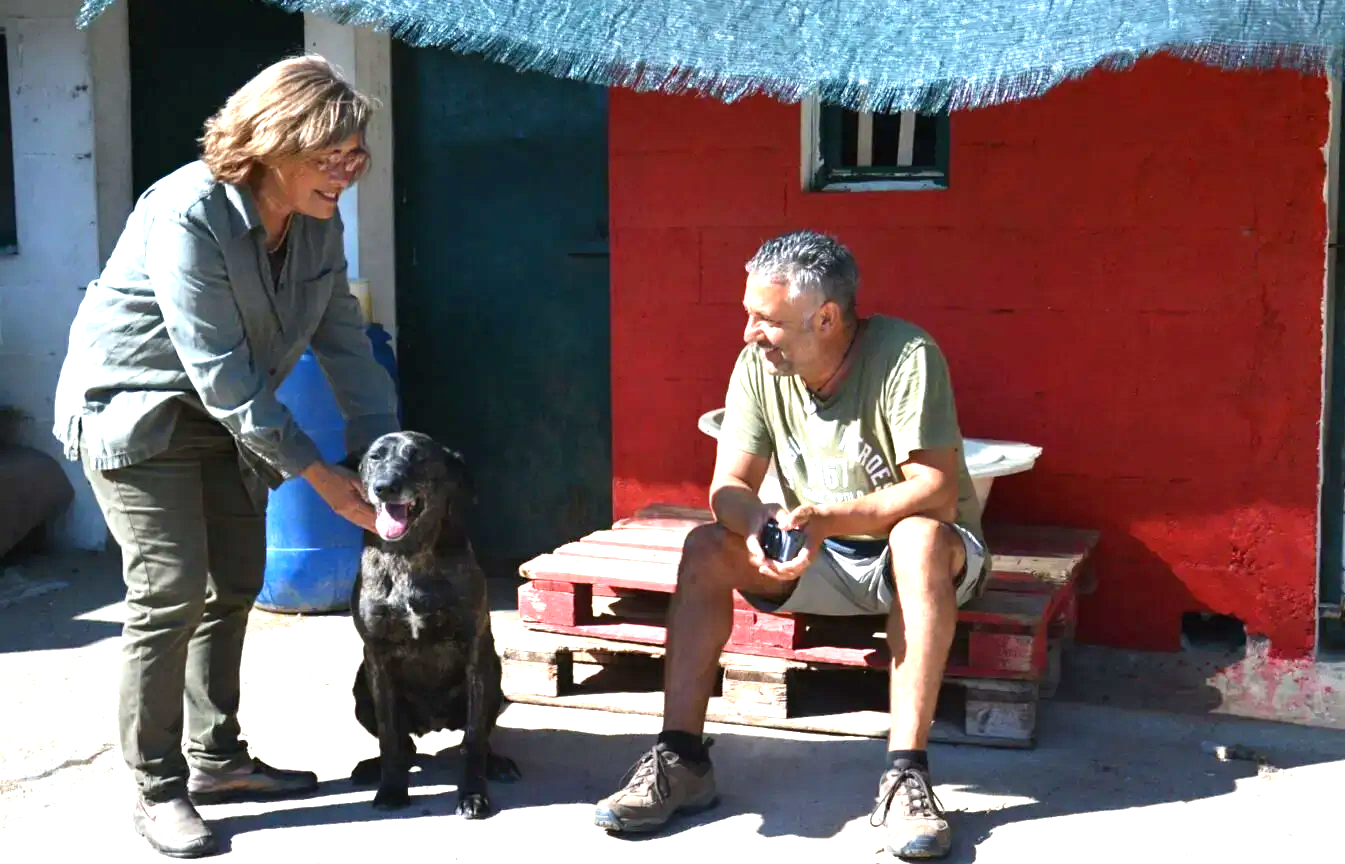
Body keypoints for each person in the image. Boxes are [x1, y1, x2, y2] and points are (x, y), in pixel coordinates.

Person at [51, 55, 399, 859]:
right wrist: (322, 477)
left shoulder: (317, 221)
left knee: (234, 580)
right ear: (275, 143)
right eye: (330, 156)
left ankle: (215, 760)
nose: (346, 173)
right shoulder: (188, 212)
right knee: (169, 589)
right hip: (138, 413)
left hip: (230, 417)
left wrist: (382, 453)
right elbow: (219, 372)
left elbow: (341, 335)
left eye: (355, 156)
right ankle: (157, 786)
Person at [593, 230, 988, 859]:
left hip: (920, 557)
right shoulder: (758, 364)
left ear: (825, 318)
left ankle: (906, 776)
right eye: (748, 313)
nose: (749, 332)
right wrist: (757, 522)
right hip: (813, 548)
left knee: (917, 538)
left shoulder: (906, 355)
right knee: (704, 548)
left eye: (767, 319)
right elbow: (728, 487)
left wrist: (830, 519)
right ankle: (681, 759)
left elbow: (936, 491)